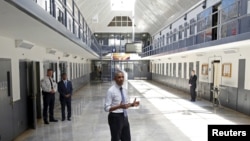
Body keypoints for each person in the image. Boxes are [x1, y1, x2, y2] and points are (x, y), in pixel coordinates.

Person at [104, 71, 140, 141]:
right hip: (115, 118)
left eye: (122, 77)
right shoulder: (111, 91)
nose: (121, 79)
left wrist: (132, 104)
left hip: (124, 117)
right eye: (119, 77)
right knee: (116, 138)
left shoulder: (124, 90)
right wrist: (119, 107)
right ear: (115, 79)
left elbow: (125, 105)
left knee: (127, 138)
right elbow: (106, 108)